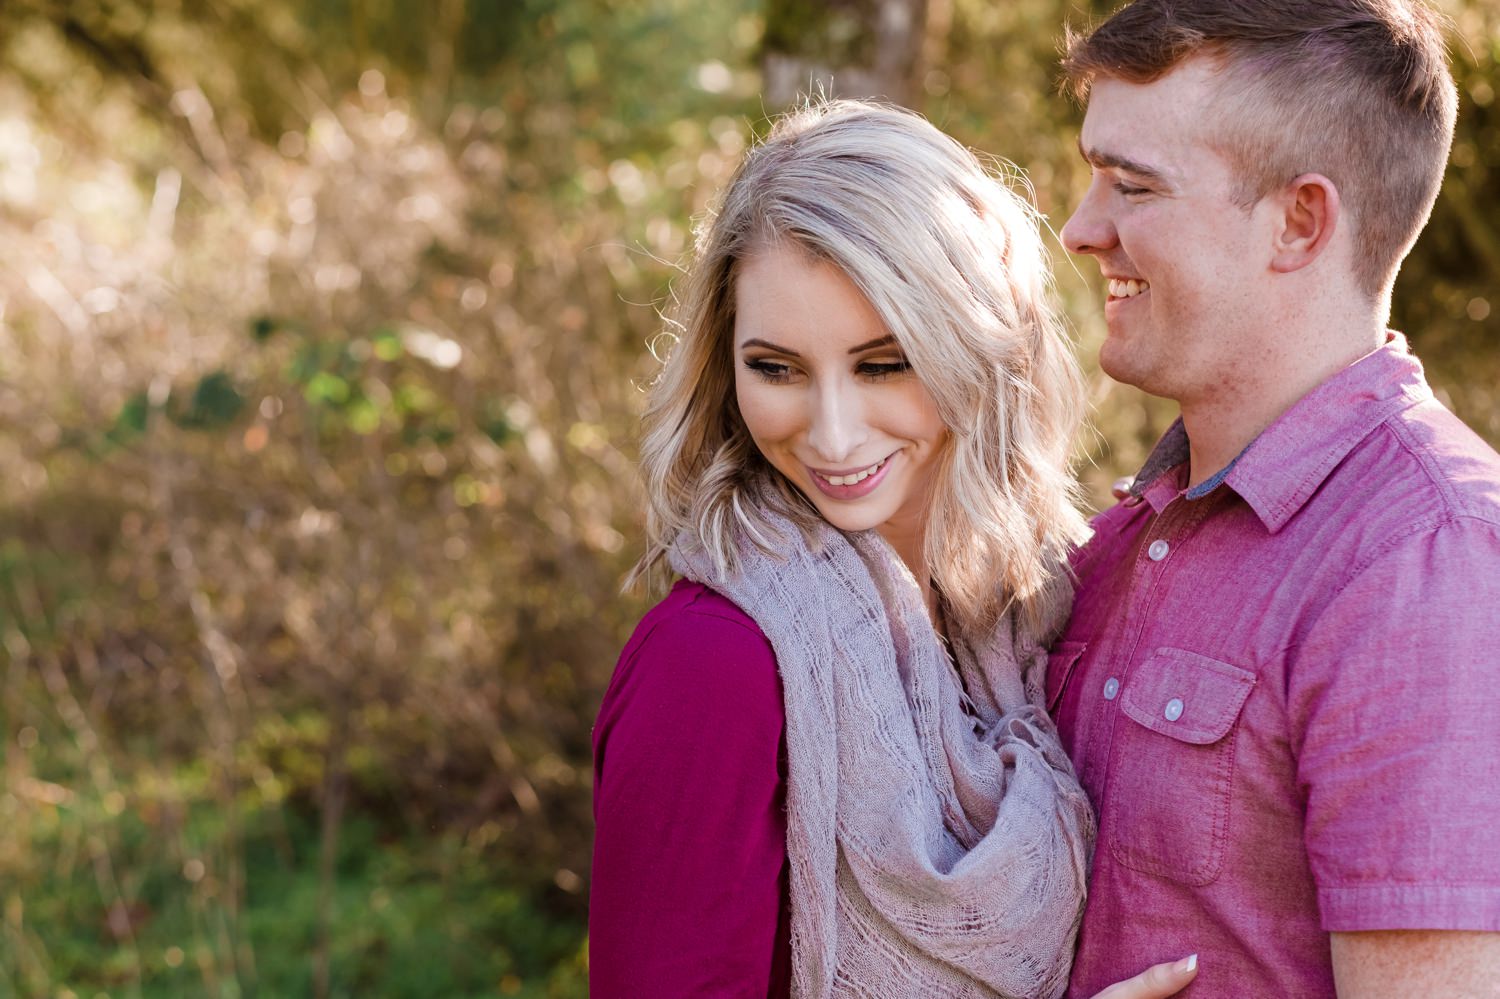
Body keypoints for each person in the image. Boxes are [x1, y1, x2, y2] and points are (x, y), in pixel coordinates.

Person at [590, 100, 1198, 997]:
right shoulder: (711, 664)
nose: (832, 435)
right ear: (726, 366)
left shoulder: (1022, 627)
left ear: (980, 351)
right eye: (777, 368)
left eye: (884, 364)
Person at [1051, 1, 1500, 996]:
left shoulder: (1429, 565)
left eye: (1132, 186)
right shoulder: (1116, 542)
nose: (1083, 231)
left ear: (1299, 221)